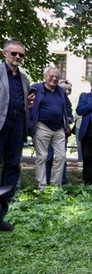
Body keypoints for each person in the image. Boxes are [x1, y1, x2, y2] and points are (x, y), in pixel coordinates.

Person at [0, 39, 33, 232]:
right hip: (1, 123)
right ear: (4, 53)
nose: (18, 57)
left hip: (18, 123)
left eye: (21, 55)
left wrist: (26, 105)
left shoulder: (24, 78)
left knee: (12, 167)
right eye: (14, 53)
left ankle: (1, 215)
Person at [28, 66, 71, 189]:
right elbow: (27, 105)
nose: (54, 78)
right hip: (42, 127)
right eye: (51, 76)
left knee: (61, 156)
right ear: (45, 77)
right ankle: (42, 186)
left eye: (57, 76)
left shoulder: (61, 91)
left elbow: (67, 107)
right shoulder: (36, 88)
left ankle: (55, 186)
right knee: (42, 157)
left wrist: (68, 120)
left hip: (59, 128)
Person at [45, 79, 73, 185]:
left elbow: (70, 113)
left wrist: (68, 119)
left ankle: (62, 180)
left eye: (68, 90)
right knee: (48, 157)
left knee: (61, 157)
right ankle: (46, 180)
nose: (66, 92)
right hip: (47, 130)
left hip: (61, 131)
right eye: (64, 89)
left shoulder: (66, 100)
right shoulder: (48, 96)